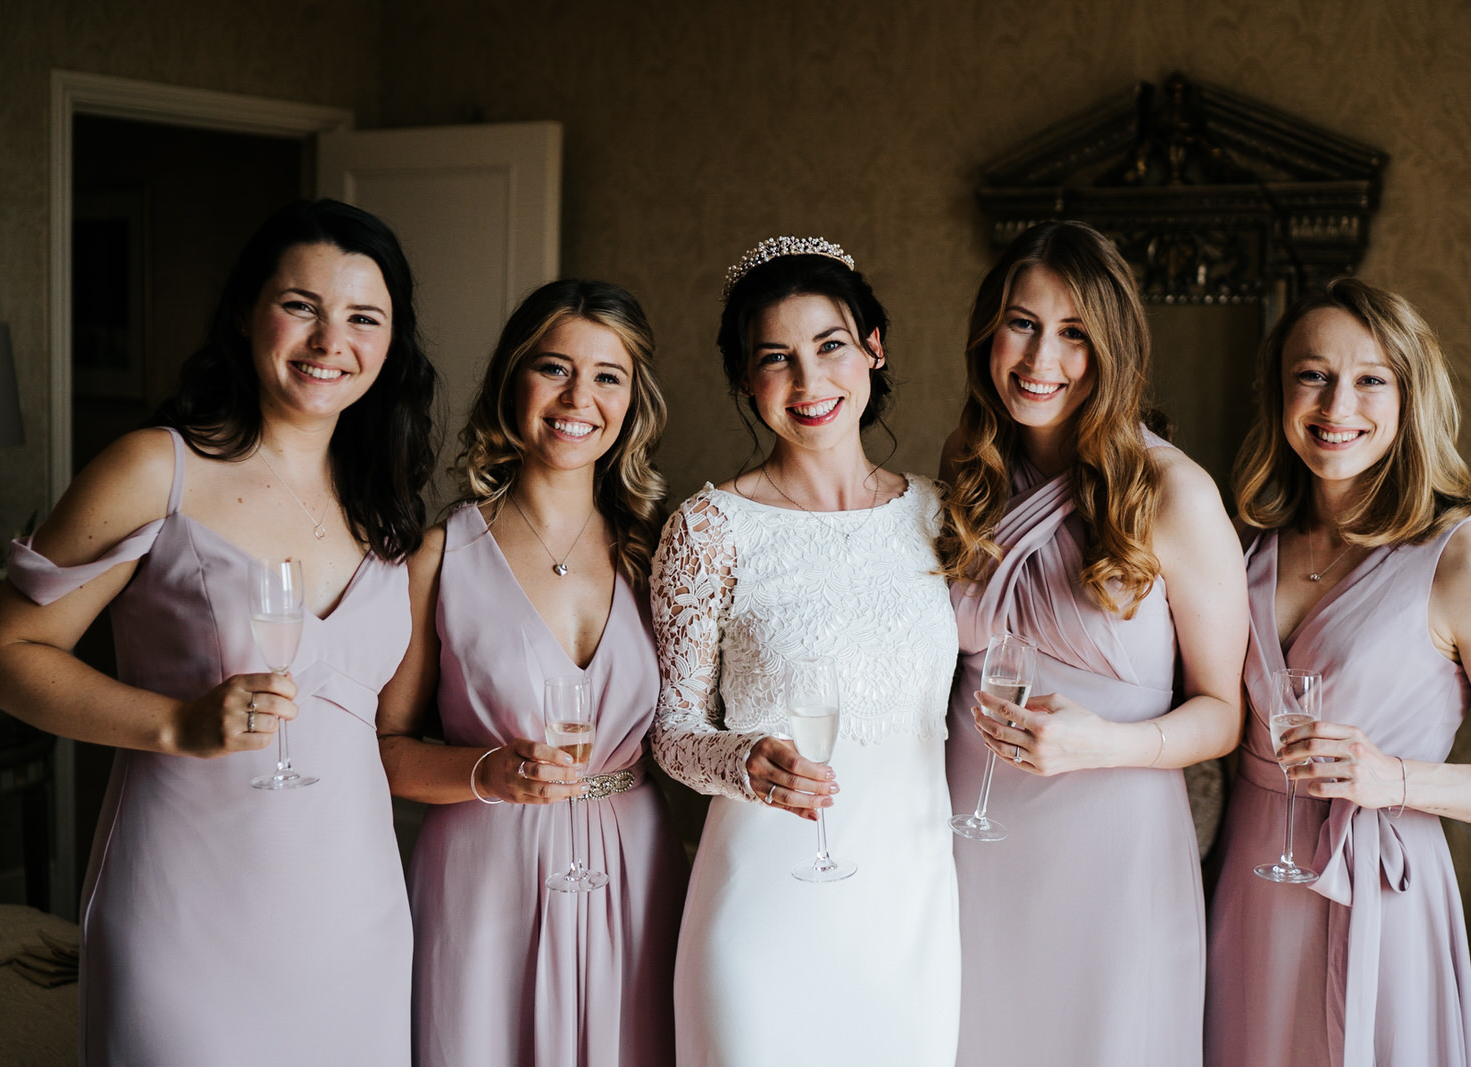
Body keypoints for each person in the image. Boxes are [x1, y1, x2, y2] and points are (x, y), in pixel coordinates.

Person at [0, 199, 437, 1066]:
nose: (329, 339)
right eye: (301, 304)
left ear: (391, 344)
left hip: (356, 907)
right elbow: (2, 658)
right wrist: (174, 723)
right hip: (185, 903)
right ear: (245, 311)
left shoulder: (388, 502)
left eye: (363, 317)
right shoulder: (158, 467)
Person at [1204, 278, 1471, 1067]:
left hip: (1382, 885)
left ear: (1411, 397)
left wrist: (1393, 777)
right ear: (1280, 391)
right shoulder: (1248, 545)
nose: (1338, 405)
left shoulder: (1466, 561)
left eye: (1371, 378)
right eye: (1313, 374)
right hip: (1250, 879)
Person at [938, 220, 1248, 1066]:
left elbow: (1225, 714)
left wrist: (1105, 742)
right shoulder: (970, 481)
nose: (1042, 357)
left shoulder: (1174, 492)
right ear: (987, 334)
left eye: (1074, 332)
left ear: (1113, 349)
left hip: (1111, 851)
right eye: (1022, 323)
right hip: (970, 844)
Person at [649, 237, 961, 1066]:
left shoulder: (941, 514)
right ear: (747, 382)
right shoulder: (709, 528)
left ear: (873, 347)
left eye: (829, 346)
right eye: (776, 359)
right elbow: (672, 729)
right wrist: (742, 758)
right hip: (765, 903)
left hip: (912, 904)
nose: (809, 381)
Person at [376, 279, 686, 1067]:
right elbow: (386, 750)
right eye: (554, 367)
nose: (580, 396)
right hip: (486, 874)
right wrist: (488, 771)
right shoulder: (441, 554)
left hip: (635, 866)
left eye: (608, 376)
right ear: (513, 381)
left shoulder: (661, 550)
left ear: (632, 400)